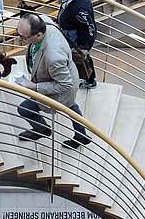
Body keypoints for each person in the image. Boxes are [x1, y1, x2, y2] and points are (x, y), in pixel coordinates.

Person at [14, 12, 90, 148]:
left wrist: (35, 87)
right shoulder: (44, 22)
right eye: (18, 33)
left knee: (25, 109)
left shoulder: (53, 57)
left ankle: (42, 130)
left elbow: (65, 84)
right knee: (72, 106)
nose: (19, 39)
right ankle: (81, 135)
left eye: (23, 37)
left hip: (62, 84)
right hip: (64, 73)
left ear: (38, 35)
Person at [55, 0, 98, 89]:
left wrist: (84, 47)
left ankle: (89, 80)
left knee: (79, 58)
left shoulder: (80, 8)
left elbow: (89, 29)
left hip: (73, 35)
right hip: (68, 30)